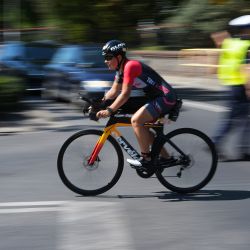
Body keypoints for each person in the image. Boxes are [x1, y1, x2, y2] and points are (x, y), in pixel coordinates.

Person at [96, 40, 178, 167]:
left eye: (108, 57)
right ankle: (166, 158)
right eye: (104, 57)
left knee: (136, 120)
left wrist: (109, 110)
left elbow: (124, 94)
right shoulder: (121, 70)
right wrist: (98, 104)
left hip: (165, 97)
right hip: (155, 98)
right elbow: (113, 91)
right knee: (143, 128)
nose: (105, 61)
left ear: (118, 57)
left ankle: (146, 159)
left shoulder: (130, 66)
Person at [212, 15, 250, 161]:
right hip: (242, 86)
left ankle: (243, 149)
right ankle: (215, 143)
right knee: (234, 119)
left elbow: (217, 37)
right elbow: (247, 68)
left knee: (242, 118)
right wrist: (248, 89)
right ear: (247, 29)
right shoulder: (247, 45)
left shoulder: (231, 43)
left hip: (230, 84)